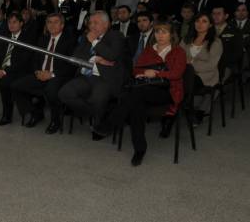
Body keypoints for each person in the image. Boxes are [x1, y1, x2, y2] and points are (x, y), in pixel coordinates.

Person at [94, 21, 187, 166]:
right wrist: (143, 73)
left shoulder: (178, 51)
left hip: (168, 91)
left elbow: (177, 73)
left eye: (164, 32)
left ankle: (110, 123)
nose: (160, 35)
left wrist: (155, 73)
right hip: (145, 90)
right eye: (157, 32)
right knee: (137, 104)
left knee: (135, 95)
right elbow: (136, 69)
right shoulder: (149, 50)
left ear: (172, 34)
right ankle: (140, 149)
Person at [58, 11, 126, 130]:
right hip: (86, 77)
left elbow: (112, 55)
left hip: (105, 78)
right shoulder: (87, 37)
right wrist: (95, 59)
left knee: (96, 98)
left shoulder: (116, 35)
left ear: (106, 24)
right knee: (64, 93)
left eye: (96, 23)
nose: (92, 26)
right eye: (90, 23)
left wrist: (94, 41)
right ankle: (98, 115)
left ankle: (98, 121)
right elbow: (76, 56)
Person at [11, 13, 76, 132]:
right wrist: (37, 72)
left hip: (58, 75)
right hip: (40, 73)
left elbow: (71, 66)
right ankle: (35, 113)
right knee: (16, 86)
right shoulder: (42, 39)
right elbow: (35, 59)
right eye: (49, 22)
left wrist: (51, 74)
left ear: (62, 25)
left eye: (55, 22)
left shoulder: (70, 41)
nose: (52, 25)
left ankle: (55, 120)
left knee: (51, 90)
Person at [180, 13, 222, 124]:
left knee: (186, 82)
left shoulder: (215, 42)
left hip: (206, 76)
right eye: (197, 21)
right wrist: (189, 65)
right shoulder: (186, 39)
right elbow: (178, 57)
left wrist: (190, 64)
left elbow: (211, 65)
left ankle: (188, 108)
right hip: (186, 74)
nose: (200, 24)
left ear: (211, 25)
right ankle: (182, 107)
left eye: (204, 21)